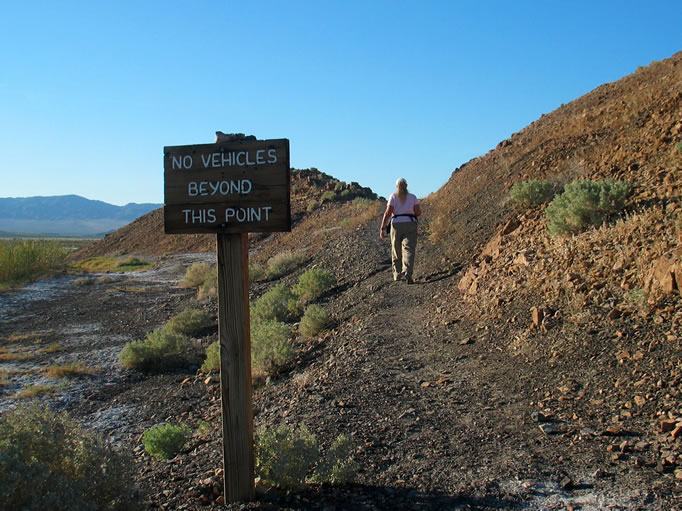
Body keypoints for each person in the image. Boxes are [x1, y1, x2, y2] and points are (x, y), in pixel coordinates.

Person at [379, 178, 421, 283]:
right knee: (409, 249)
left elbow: (388, 213)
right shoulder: (413, 197)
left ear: (396, 186)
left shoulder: (393, 196)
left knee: (396, 249)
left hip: (396, 224)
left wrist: (383, 228)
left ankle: (397, 274)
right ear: (406, 186)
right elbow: (418, 212)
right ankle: (407, 272)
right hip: (410, 223)